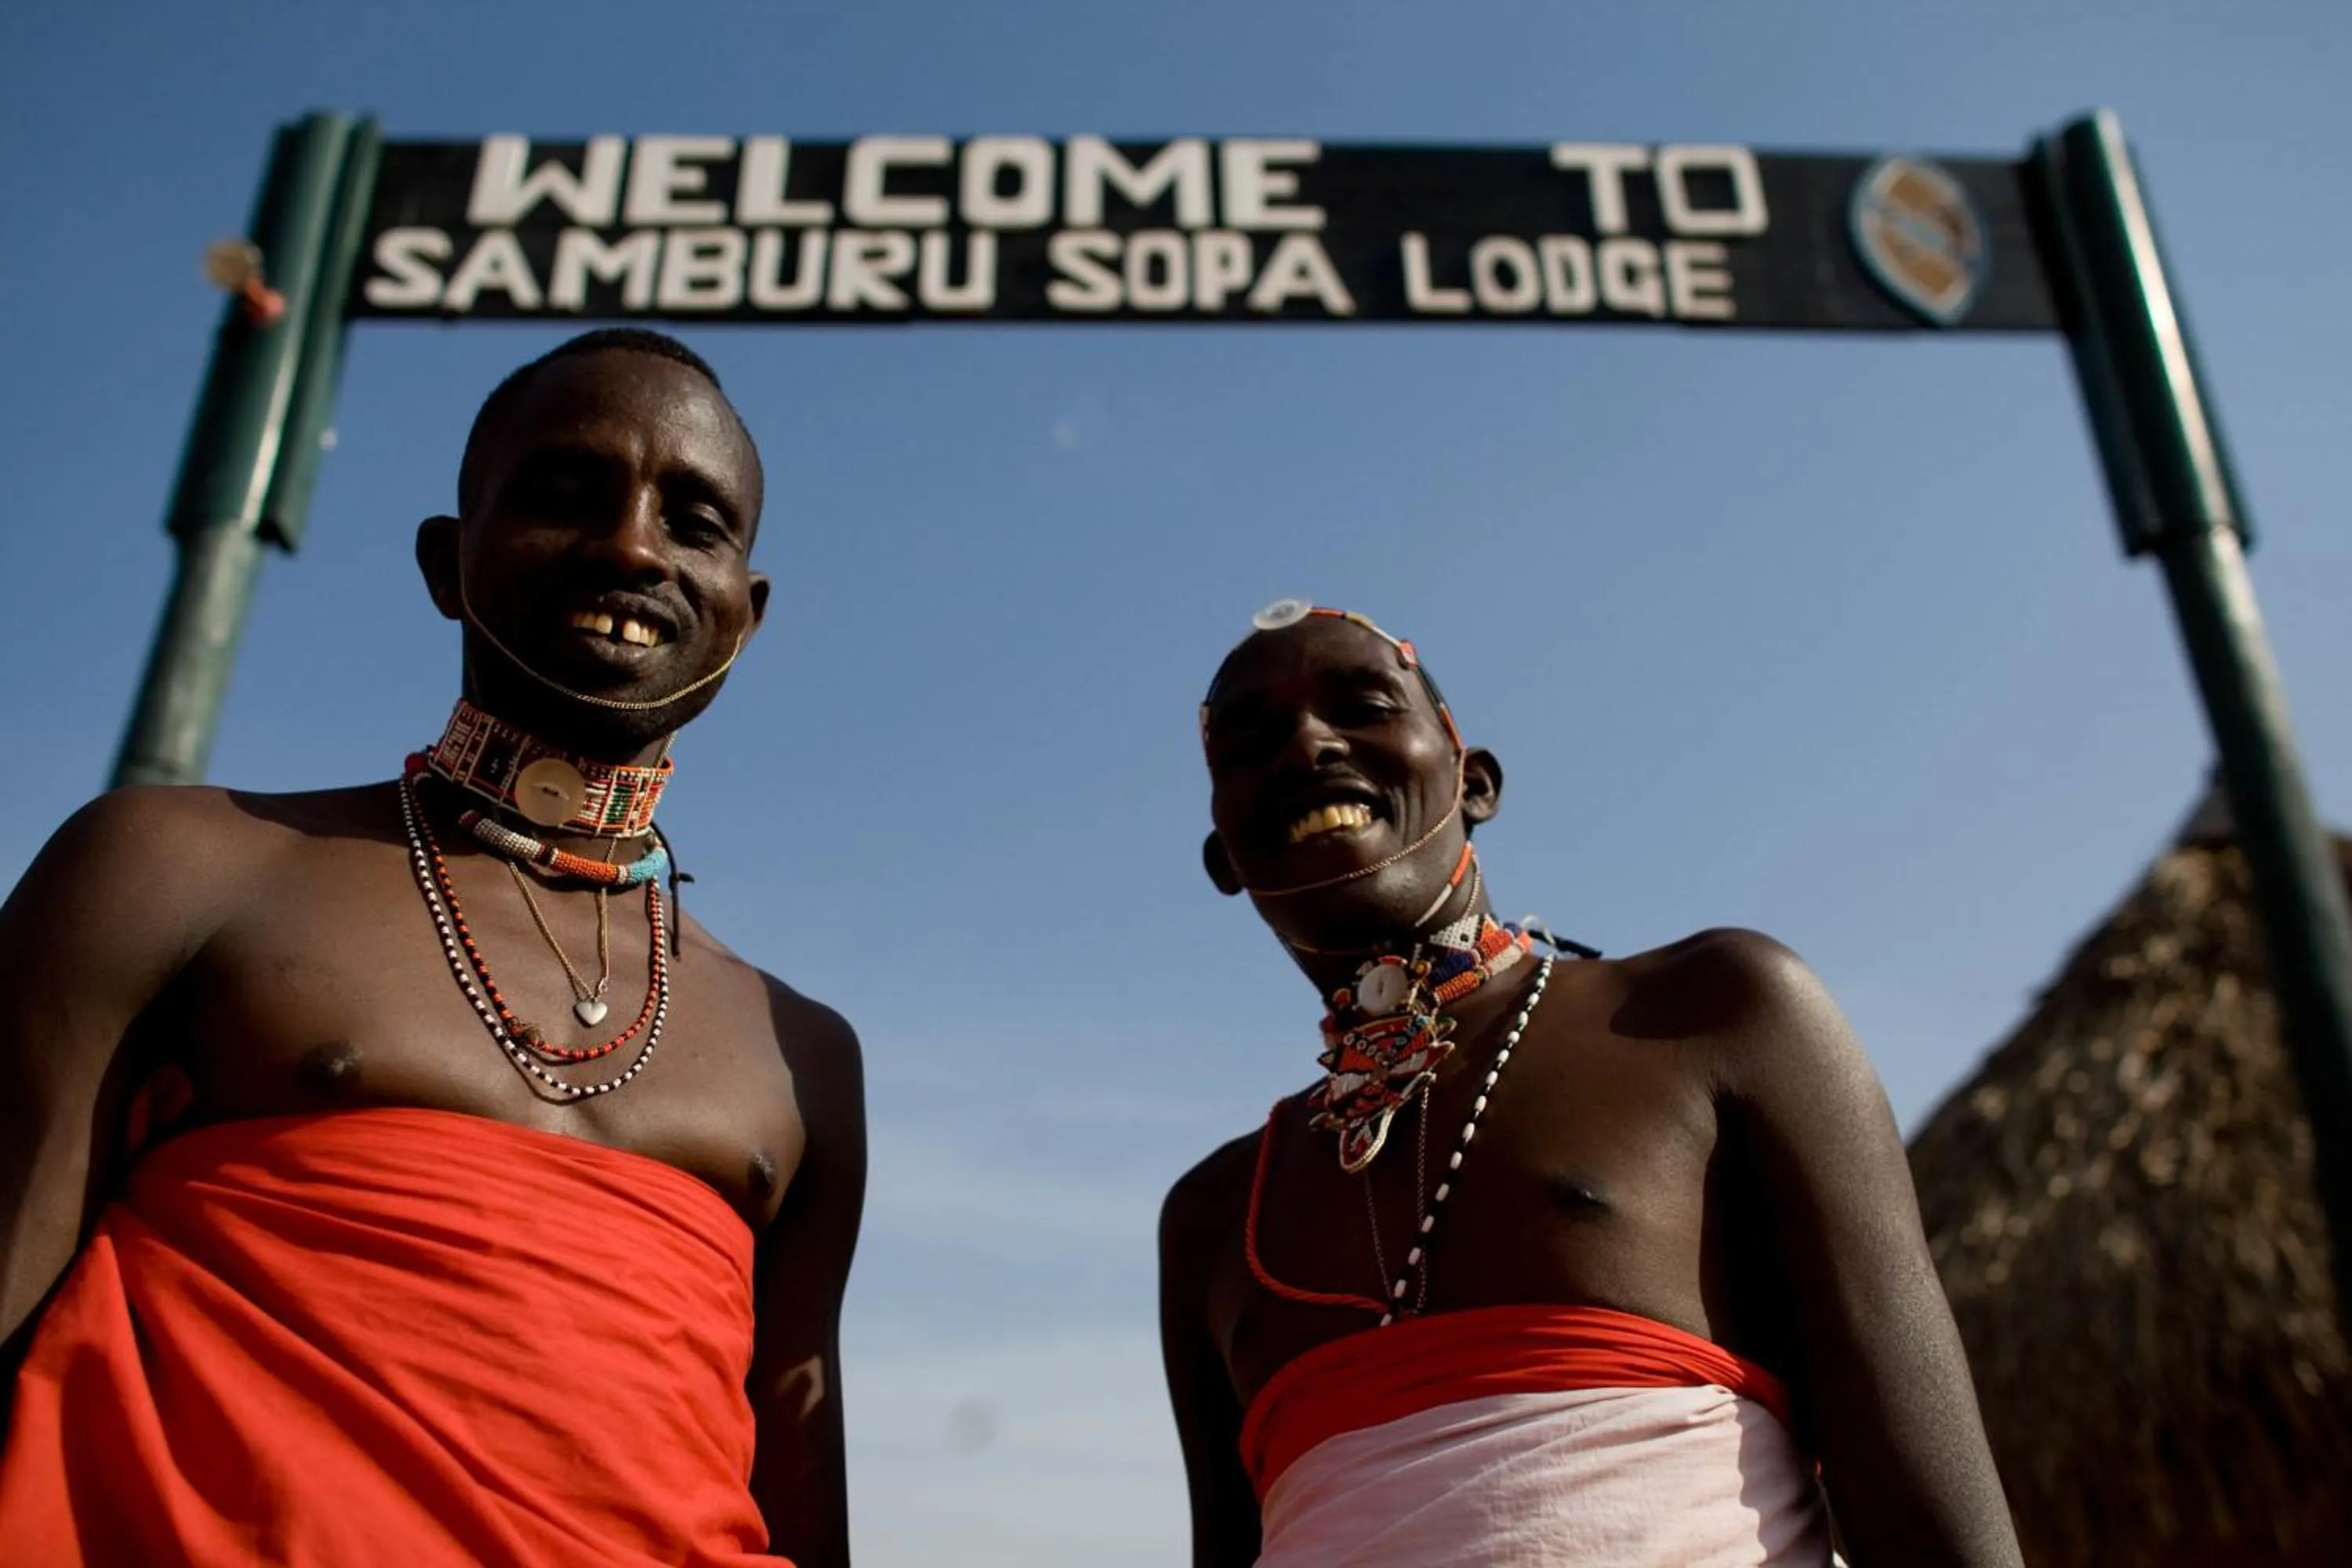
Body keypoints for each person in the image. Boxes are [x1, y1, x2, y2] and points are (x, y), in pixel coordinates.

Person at [0, 329, 866, 1567]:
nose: (632, 546)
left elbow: (796, 1501)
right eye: (564, 495)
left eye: (694, 521)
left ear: (748, 613)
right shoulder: (168, 868)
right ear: (447, 564)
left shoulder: (806, 1059)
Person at [1159, 600, 2022, 1566]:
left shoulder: (1714, 1013)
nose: (1309, 744)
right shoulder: (1213, 1215)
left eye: (1361, 704)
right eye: (1252, 740)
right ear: (1224, 858)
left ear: (1473, 780)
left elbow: (1939, 1528)